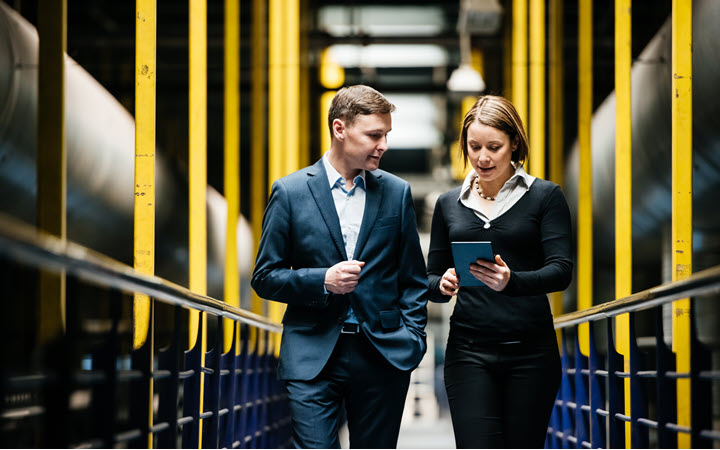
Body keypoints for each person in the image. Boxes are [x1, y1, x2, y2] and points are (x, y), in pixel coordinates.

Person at [251, 85, 428, 449]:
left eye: (386, 135)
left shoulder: (397, 193)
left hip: (383, 354)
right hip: (312, 355)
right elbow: (265, 277)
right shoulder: (290, 192)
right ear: (339, 129)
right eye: (374, 135)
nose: (384, 145)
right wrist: (323, 280)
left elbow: (412, 278)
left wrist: (413, 339)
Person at [426, 95, 573, 448]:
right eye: (474, 146)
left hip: (531, 352)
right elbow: (428, 279)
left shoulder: (545, 197)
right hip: (469, 352)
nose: (483, 157)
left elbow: (561, 270)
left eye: (494, 146)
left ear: (515, 144)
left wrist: (512, 281)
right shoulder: (449, 204)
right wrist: (443, 284)